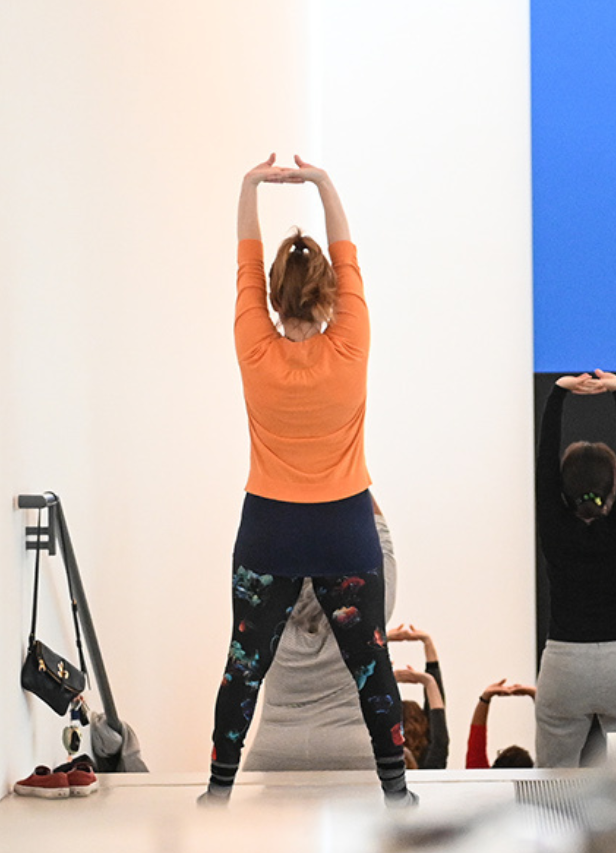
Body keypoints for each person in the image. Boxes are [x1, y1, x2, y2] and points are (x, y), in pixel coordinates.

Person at [206, 155, 411, 807]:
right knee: (370, 666)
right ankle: (398, 795)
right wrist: (322, 183)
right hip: (344, 528)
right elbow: (348, 253)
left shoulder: (253, 345)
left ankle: (217, 795)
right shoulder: (352, 341)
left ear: (271, 295)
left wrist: (250, 187)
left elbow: (246, 259)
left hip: (270, 527)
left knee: (245, 670)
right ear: (327, 294)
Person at [534, 370, 616, 768]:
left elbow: (544, 464)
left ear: (563, 487)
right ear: (613, 487)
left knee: (551, 785)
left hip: (564, 664)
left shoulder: (554, 526)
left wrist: (557, 395)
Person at [242, 504, 401, 773]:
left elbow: (254, 548)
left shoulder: (265, 612)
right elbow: (382, 542)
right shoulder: (366, 616)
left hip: (275, 748)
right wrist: (343, 472)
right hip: (351, 747)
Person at [465, 680, 537, 769]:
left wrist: (485, 698)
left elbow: (476, 745)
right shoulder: (541, 781)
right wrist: (536, 695)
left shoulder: (484, 781)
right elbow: (550, 733)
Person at [394, 665, 448, 770]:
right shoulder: (431, 764)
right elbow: (439, 731)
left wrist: (382, 680)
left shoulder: (384, 757)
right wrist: (429, 681)